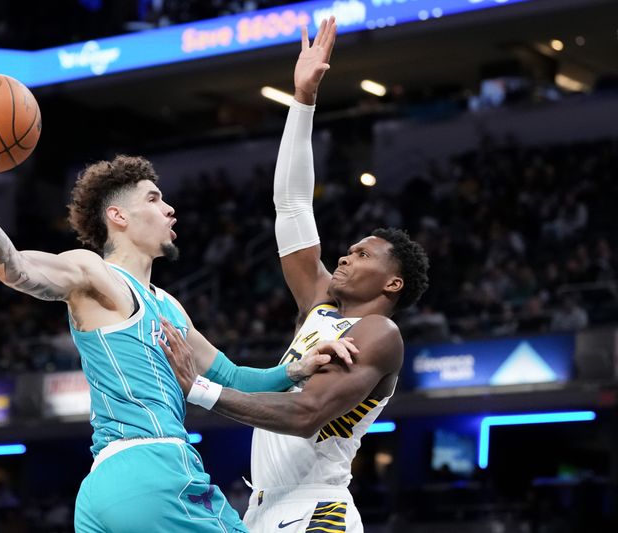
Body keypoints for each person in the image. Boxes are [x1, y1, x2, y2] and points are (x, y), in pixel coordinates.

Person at [0, 94, 355, 532]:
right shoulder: (96, 272)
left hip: (103, 489)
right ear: (118, 216)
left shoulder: (169, 305)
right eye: (153, 199)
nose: (169, 208)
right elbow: (13, 267)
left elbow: (232, 379)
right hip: (157, 469)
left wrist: (296, 369)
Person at [159, 18, 430, 533]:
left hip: (317, 510)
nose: (346, 257)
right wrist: (302, 100)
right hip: (262, 509)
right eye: (348, 250)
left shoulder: (380, 334)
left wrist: (199, 390)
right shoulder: (320, 305)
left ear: (392, 284)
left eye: (364, 255)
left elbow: (306, 414)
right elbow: (291, 204)